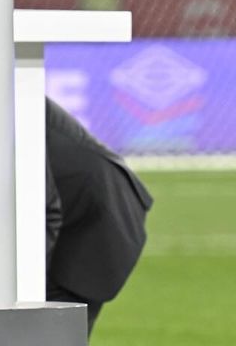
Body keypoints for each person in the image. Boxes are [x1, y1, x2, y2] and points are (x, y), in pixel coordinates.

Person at [45, 98, 153, 335]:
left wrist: (23, 283)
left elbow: (47, 210)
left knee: (49, 333)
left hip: (95, 222)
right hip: (76, 212)